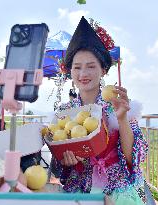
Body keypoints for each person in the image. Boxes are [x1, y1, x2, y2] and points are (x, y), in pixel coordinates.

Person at [51, 16, 150, 204]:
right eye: (77, 67)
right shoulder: (64, 113)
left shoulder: (117, 104)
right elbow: (60, 168)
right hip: (79, 192)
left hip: (117, 192)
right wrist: (66, 161)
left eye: (91, 66)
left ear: (103, 70)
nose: (83, 74)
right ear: (70, 72)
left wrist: (122, 119)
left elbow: (132, 160)